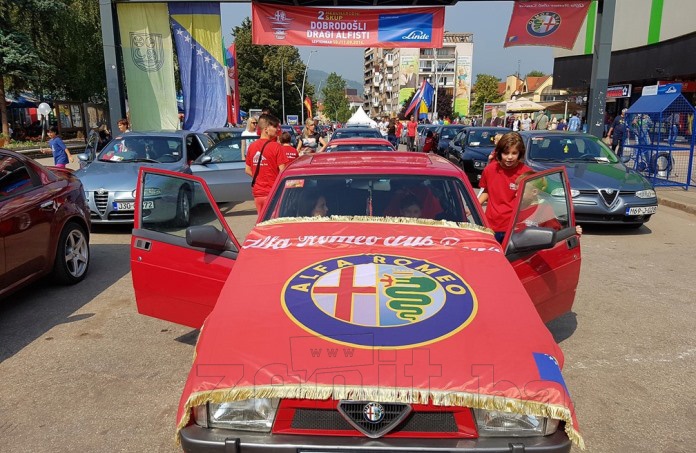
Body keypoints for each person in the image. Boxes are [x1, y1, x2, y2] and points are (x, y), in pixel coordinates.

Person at [477, 132, 532, 243]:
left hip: (514, 227)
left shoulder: (526, 173)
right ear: (500, 152)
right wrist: (474, 206)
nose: (510, 157)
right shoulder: (490, 170)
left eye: (514, 153)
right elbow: (487, 191)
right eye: (506, 153)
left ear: (520, 153)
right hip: (491, 226)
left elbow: (534, 199)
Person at [244, 114, 290, 214]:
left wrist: (260, 178)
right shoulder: (276, 147)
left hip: (258, 193)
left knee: (262, 222)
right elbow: (283, 172)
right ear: (266, 129)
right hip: (273, 192)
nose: (277, 129)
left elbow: (247, 170)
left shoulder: (252, 147)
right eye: (274, 126)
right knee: (275, 223)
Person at [514, 171, 583, 235]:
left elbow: (554, 234)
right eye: (516, 191)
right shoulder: (516, 207)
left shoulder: (543, 210)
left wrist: (571, 232)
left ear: (534, 192)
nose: (516, 195)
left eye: (521, 192)